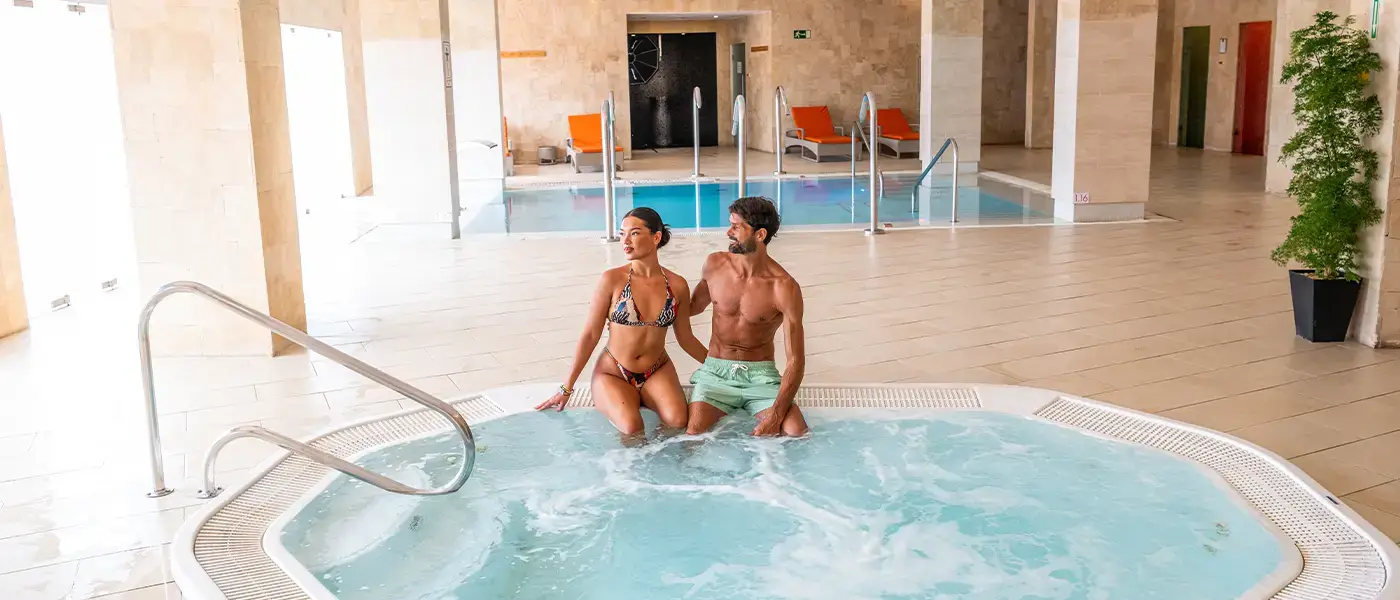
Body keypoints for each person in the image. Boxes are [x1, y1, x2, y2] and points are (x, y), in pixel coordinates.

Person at [536, 207, 708, 438]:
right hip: (614, 372)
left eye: (634, 233)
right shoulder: (612, 280)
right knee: (632, 429)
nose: (625, 240)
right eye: (622, 233)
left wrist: (722, 368)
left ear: (656, 238)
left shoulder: (677, 285)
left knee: (678, 423)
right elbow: (590, 334)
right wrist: (567, 387)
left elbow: (686, 338)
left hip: (657, 370)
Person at [686, 197, 809, 437]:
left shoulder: (784, 286)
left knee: (796, 433)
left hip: (760, 376)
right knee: (694, 435)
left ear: (760, 234)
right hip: (715, 373)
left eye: (736, 227)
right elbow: (691, 307)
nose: (728, 232)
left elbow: (796, 360)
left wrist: (775, 414)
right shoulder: (716, 264)